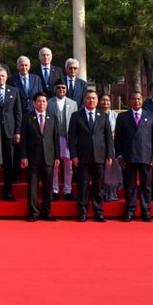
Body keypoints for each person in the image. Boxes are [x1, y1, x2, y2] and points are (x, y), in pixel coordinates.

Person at [114, 90, 153, 222]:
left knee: (146, 186)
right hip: (128, 157)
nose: (136, 101)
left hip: (146, 157)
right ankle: (130, 210)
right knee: (130, 186)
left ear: (142, 100)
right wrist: (119, 155)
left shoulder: (150, 116)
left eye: (139, 99)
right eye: (134, 99)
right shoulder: (122, 117)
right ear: (130, 101)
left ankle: (146, 211)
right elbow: (118, 139)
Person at [68, 89, 112, 222]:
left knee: (99, 186)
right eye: (88, 98)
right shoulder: (76, 116)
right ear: (84, 100)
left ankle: (99, 212)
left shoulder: (103, 116)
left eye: (93, 98)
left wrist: (109, 155)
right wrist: (73, 155)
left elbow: (108, 137)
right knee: (83, 185)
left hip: (99, 156)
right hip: (82, 156)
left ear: (97, 101)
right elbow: (71, 137)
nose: (91, 100)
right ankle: (82, 212)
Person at [20, 92, 58, 221]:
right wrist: (23, 156)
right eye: (39, 101)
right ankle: (33, 213)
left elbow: (55, 139)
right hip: (32, 157)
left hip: (49, 156)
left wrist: (57, 157)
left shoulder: (52, 117)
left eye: (44, 101)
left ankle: (47, 212)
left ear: (47, 103)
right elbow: (23, 139)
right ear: (34, 103)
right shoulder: (27, 117)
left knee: (48, 186)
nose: (41, 104)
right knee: (33, 186)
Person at [0, 67, 22, 200]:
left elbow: (18, 113)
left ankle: (8, 191)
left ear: (6, 77)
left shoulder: (14, 91)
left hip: (9, 132)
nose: (0, 78)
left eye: (2, 76)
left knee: (9, 163)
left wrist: (17, 131)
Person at [49, 80, 77, 200]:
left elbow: (75, 122)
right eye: (59, 88)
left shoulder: (73, 103)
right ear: (55, 89)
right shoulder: (49, 103)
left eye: (63, 88)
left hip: (68, 138)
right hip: (54, 138)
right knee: (54, 165)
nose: (61, 90)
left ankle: (67, 190)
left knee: (68, 166)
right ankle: (54, 190)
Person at [98, 93, 122, 202]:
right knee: (101, 171)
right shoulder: (96, 114)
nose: (105, 102)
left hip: (112, 145)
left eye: (107, 100)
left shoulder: (115, 115)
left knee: (112, 171)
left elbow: (119, 129)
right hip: (99, 146)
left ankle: (112, 194)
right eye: (103, 100)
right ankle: (101, 193)